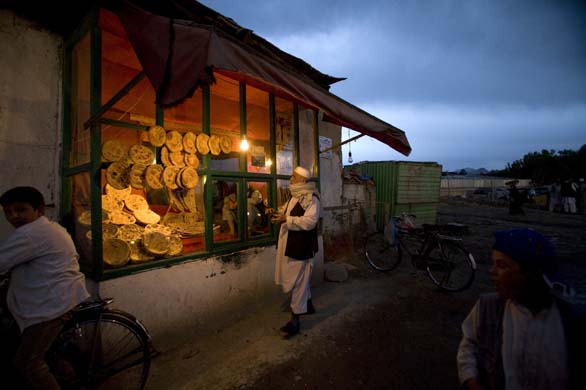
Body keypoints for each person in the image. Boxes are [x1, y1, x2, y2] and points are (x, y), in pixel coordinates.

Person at [457, 228, 585, 390]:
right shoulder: (487, 308)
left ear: (531, 274)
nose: (492, 272)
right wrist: (471, 380)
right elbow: (469, 344)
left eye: (501, 265)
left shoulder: (572, 322)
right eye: (493, 264)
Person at [0, 186, 90, 389]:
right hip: (62, 296)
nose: (14, 216)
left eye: (21, 210)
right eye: (8, 211)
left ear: (39, 210)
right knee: (47, 355)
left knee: (28, 365)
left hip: (51, 305)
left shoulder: (31, 234)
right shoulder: (50, 228)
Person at [272, 166, 320, 337]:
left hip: (301, 247)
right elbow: (286, 214)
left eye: (294, 177)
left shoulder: (311, 199)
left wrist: (287, 219)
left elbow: (310, 222)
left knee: (298, 282)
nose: (290, 179)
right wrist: (279, 215)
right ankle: (308, 304)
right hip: (291, 245)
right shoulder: (294, 197)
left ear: (303, 181)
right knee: (301, 279)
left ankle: (295, 321)